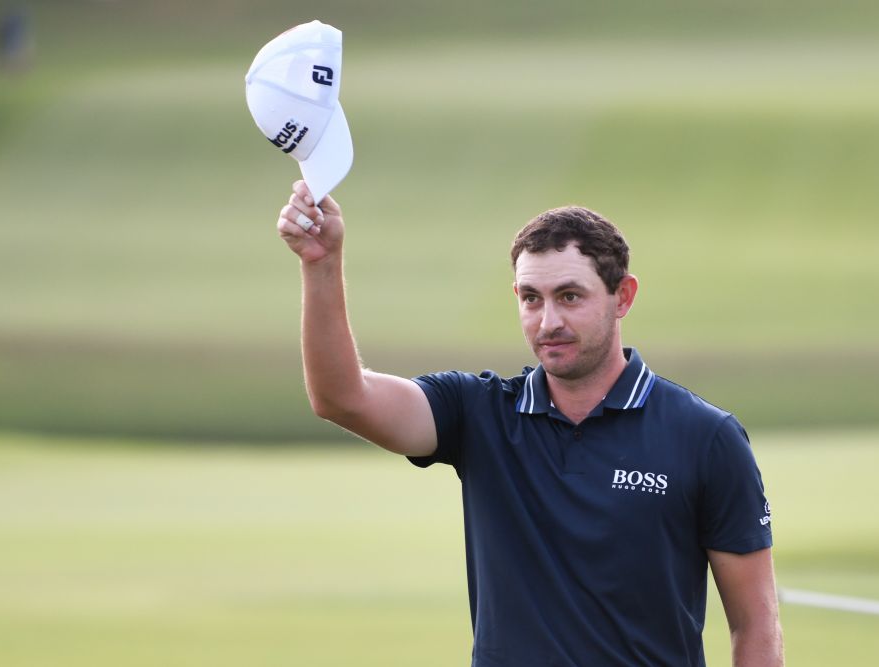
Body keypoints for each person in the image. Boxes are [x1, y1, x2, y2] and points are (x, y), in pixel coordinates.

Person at [277, 180, 784, 666]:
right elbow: (342, 399)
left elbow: (756, 624)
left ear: (623, 296)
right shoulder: (478, 413)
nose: (548, 323)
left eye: (570, 296)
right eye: (530, 298)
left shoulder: (705, 437)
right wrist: (321, 264)